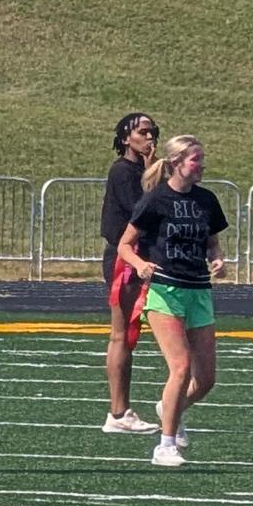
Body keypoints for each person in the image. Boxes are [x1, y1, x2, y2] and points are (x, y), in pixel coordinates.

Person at [117, 135, 228, 470]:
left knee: (206, 379)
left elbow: (213, 242)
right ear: (178, 162)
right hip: (166, 291)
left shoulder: (207, 200)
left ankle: (170, 408)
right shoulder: (156, 200)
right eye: (196, 159)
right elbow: (125, 244)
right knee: (180, 368)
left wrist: (218, 259)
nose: (202, 165)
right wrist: (139, 265)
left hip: (199, 291)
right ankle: (165, 444)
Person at [100, 112, 161, 437]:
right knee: (121, 334)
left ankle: (124, 408)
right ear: (126, 138)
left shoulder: (146, 169)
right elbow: (145, 209)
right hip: (127, 259)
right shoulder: (124, 171)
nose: (149, 139)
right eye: (142, 132)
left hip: (145, 257)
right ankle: (118, 410)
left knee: (131, 335)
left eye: (152, 133)